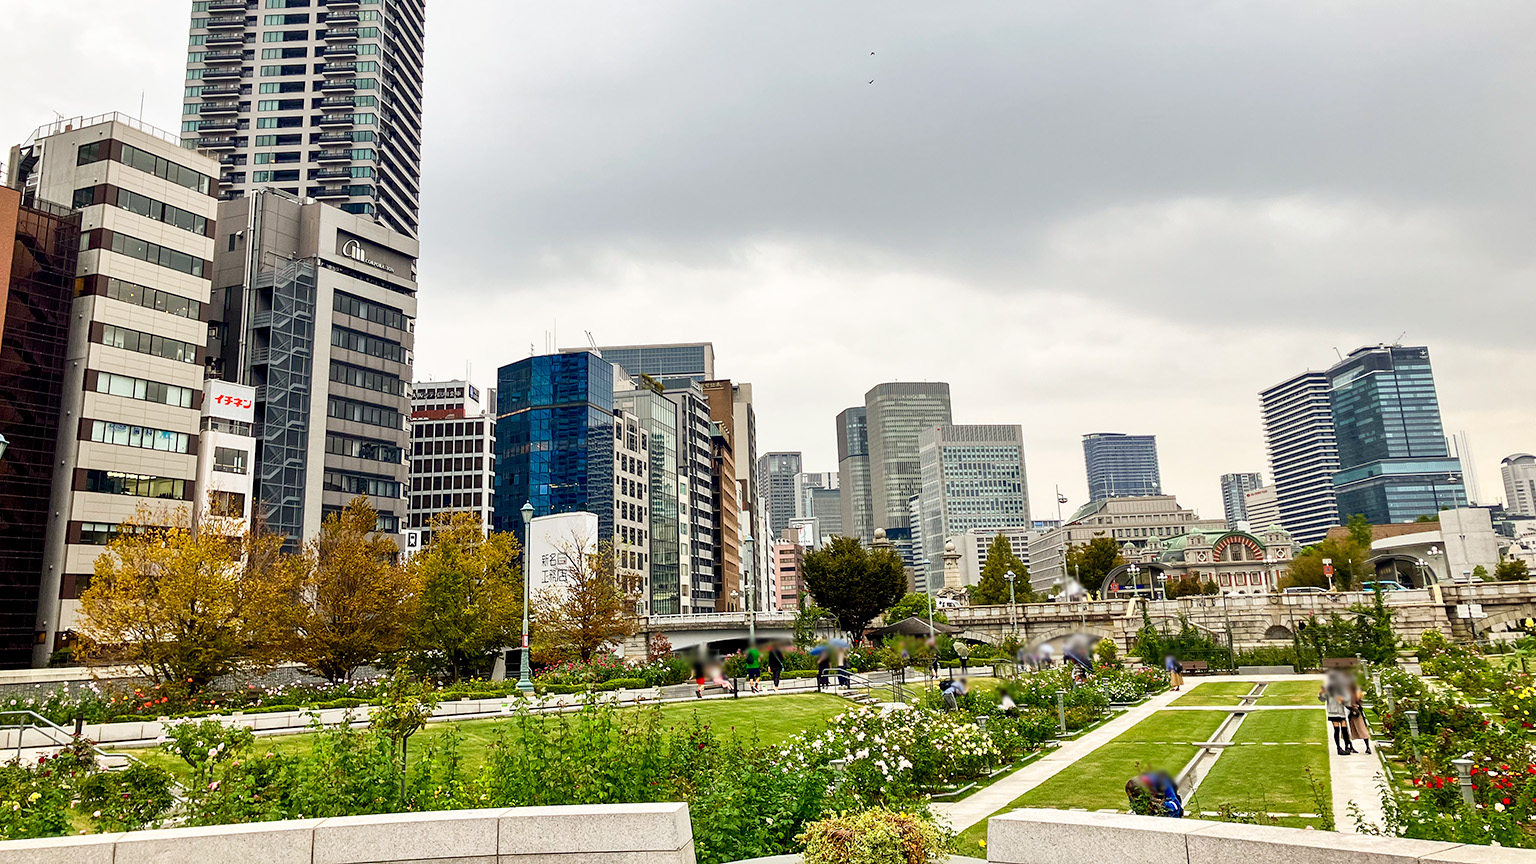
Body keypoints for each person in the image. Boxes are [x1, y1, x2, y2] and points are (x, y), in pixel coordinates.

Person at [1320, 669, 1352, 755]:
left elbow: (1347, 700)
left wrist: (1343, 700)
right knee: (1336, 729)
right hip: (1333, 711)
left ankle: (1347, 746)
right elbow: (1322, 699)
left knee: (1344, 729)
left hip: (1342, 711)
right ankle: (1338, 747)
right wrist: (1321, 694)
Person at [1347, 680, 1372, 754]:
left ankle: (1367, 747)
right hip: (1351, 711)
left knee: (1361, 728)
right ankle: (1351, 746)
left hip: (1354, 711)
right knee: (1349, 730)